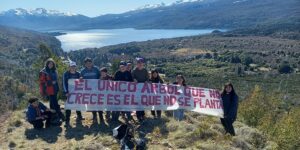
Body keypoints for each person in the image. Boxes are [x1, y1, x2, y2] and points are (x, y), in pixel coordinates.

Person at [80, 57, 102, 124]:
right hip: (89, 91)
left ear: (92, 63)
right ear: (85, 64)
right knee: (92, 104)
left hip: (97, 90)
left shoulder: (96, 69)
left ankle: (101, 117)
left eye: (90, 63)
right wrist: (80, 79)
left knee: (99, 104)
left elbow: (100, 76)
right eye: (87, 63)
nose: (89, 64)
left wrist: (101, 78)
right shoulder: (82, 71)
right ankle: (94, 117)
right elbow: (81, 80)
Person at [63, 61, 84, 127]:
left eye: (74, 66)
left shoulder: (78, 73)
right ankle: (67, 120)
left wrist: (81, 80)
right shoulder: (66, 74)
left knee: (78, 104)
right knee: (68, 107)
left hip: (77, 92)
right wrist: (66, 92)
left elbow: (82, 83)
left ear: (75, 67)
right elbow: (64, 83)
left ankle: (79, 116)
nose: (73, 68)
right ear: (69, 67)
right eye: (71, 66)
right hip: (69, 93)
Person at [132, 58, 149, 123]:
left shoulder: (145, 70)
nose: (140, 64)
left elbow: (147, 78)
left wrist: (146, 81)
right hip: (136, 89)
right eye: (138, 63)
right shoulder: (134, 70)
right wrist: (134, 79)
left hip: (144, 89)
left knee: (142, 101)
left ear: (143, 64)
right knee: (137, 102)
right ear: (137, 64)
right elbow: (132, 77)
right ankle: (139, 116)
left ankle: (142, 114)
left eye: (141, 63)